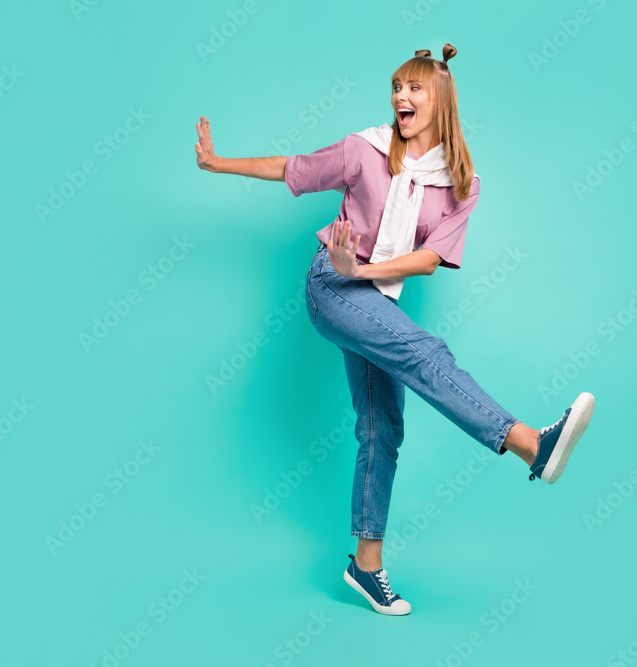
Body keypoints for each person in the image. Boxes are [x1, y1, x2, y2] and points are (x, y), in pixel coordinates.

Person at [195, 44, 595, 616]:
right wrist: (220, 163)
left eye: (413, 89)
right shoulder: (365, 151)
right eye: (395, 87)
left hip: (369, 288)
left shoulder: (462, 183)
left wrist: (366, 270)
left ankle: (366, 566)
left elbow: (430, 259)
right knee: (424, 353)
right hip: (331, 288)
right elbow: (295, 168)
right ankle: (531, 443)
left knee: (383, 426)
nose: (400, 97)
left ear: (441, 102)